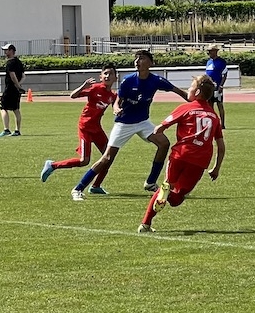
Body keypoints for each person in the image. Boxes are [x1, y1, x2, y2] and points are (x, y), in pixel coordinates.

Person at [71, 50, 188, 201]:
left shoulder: (157, 80)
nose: (137, 61)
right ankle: (78, 189)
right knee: (107, 158)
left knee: (164, 143)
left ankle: (150, 182)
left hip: (143, 122)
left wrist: (198, 101)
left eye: (142, 58)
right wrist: (116, 109)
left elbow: (180, 92)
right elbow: (118, 101)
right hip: (124, 123)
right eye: (136, 58)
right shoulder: (128, 80)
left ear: (150, 63)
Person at [139, 75, 226, 233]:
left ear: (197, 92)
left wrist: (159, 130)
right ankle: (168, 195)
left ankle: (146, 224)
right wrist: (216, 168)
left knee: (167, 185)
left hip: (180, 154)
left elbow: (160, 128)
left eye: (190, 87)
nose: (188, 90)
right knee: (178, 198)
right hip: (200, 161)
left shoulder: (186, 108)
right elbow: (221, 146)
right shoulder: (214, 116)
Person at [41, 65, 118, 186]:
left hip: (97, 128)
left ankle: (96, 186)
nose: (107, 76)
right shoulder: (95, 88)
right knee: (84, 161)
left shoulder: (113, 95)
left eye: (111, 74)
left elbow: (116, 107)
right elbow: (73, 95)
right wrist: (83, 86)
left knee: (108, 157)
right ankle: (52, 165)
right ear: (101, 77)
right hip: (85, 127)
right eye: (105, 73)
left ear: (115, 78)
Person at [0, 43, 26, 137]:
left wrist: (17, 85)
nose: (5, 52)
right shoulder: (18, 62)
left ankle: (6, 129)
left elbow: (12, 75)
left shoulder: (10, 63)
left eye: (6, 50)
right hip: (17, 89)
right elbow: (23, 76)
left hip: (10, 88)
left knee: (3, 107)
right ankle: (17, 130)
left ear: (11, 51)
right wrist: (19, 85)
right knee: (16, 109)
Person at [205, 45, 228, 128]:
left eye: (210, 51)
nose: (209, 53)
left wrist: (221, 86)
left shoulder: (221, 62)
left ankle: (222, 124)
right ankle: (212, 123)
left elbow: (224, 74)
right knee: (210, 105)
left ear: (215, 51)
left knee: (219, 104)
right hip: (209, 87)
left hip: (217, 87)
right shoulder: (209, 62)